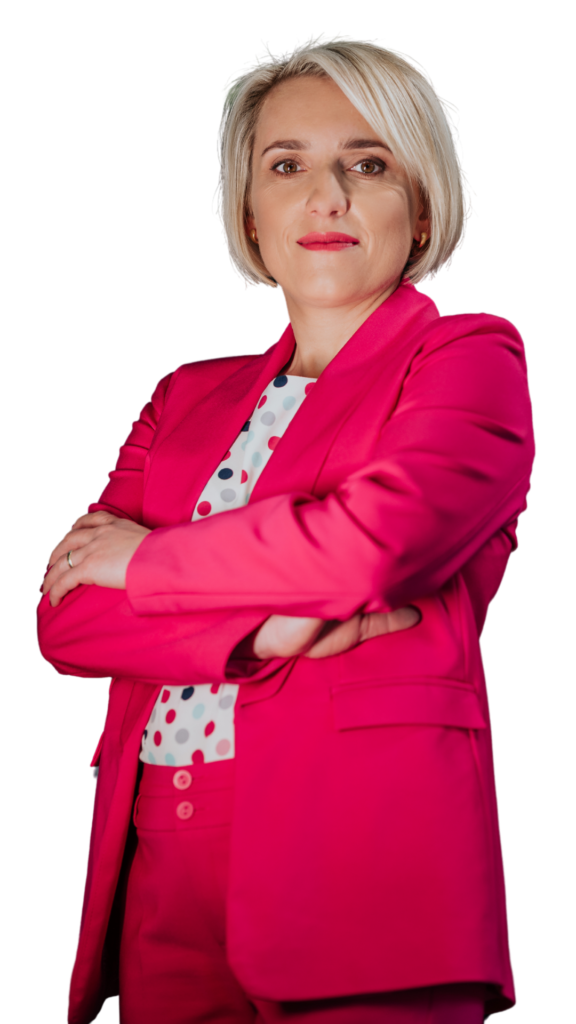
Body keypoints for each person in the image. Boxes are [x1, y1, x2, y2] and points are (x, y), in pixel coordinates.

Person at [37, 33, 535, 1024]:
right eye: (287, 165)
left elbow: (372, 547)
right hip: (157, 862)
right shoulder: (183, 396)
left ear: (422, 204)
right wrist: (262, 630)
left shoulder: (469, 357)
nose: (327, 196)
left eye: (368, 163)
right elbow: (69, 621)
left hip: (361, 853)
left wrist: (145, 560)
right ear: (249, 213)